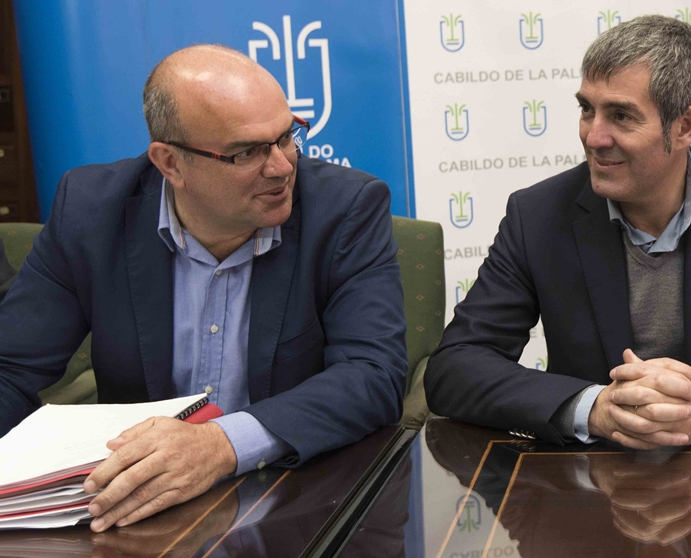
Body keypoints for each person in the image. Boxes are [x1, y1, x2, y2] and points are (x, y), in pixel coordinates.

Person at [0, 44, 406, 531]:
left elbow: (373, 374)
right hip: (142, 510)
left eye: (286, 136)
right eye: (247, 152)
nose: (281, 166)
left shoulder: (346, 210)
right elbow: (11, 367)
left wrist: (221, 444)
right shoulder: (90, 211)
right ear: (170, 163)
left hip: (301, 499)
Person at [426, 15, 691, 450]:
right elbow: (455, 367)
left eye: (621, 116)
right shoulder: (537, 215)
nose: (594, 136)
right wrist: (594, 409)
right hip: (586, 472)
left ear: (684, 126)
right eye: (587, 109)